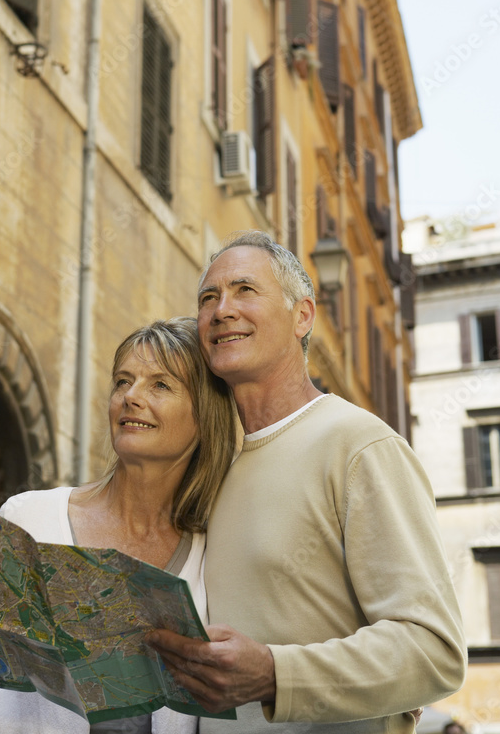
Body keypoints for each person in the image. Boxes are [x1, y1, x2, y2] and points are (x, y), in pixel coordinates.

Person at [147, 231, 467, 733]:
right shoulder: (211, 465)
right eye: (209, 298)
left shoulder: (360, 446)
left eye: (245, 290)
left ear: (303, 316)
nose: (221, 310)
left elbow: (434, 652)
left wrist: (277, 674)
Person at [0, 317, 237, 734]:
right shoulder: (30, 519)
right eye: (122, 381)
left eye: (160, 385)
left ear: (205, 416)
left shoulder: (216, 555)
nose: (131, 397)